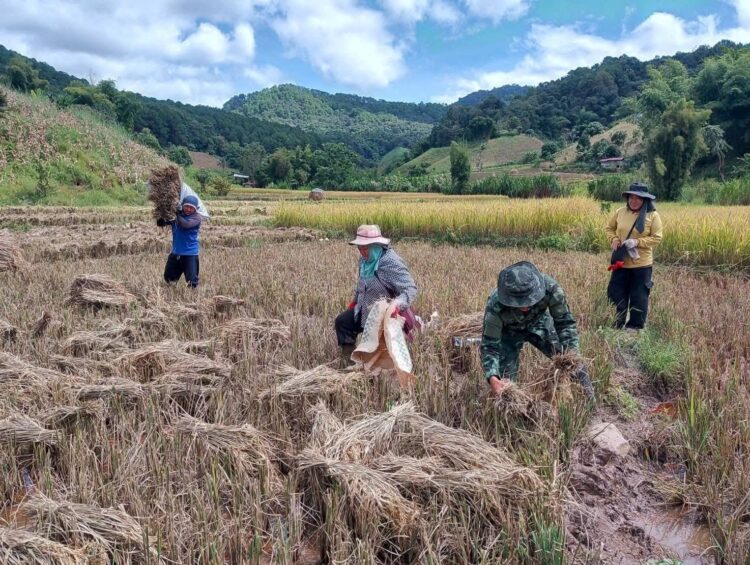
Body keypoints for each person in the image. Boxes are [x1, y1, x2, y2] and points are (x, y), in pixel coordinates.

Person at [480, 261, 594, 399]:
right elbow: (490, 345)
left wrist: (573, 354)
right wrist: (492, 377)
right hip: (508, 333)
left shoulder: (551, 289)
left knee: (571, 361)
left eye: (528, 301)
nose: (524, 308)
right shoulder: (495, 304)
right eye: (518, 303)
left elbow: (565, 323)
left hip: (539, 324)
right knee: (505, 386)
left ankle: (589, 400)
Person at [335, 225, 418, 366]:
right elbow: (362, 284)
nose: (362, 252)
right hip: (364, 310)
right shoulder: (364, 261)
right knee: (342, 322)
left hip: (384, 315)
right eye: (359, 248)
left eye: (366, 248)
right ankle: (350, 362)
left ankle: (379, 369)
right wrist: (355, 302)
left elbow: (410, 289)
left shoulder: (390, 262)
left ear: (376, 245)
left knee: (379, 351)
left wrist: (396, 305)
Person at [605, 182, 663, 330]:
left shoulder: (653, 215)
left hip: (641, 265)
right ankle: (616, 323)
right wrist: (614, 239)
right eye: (631, 197)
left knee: (639, 296)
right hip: (621, 263)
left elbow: (657, 238)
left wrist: (637, 242)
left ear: (645, 200)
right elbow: (609, 228)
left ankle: (635, 327)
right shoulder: (620, 212)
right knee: (616, 293)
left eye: (638, 198)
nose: (634, 201)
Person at [157, 194, 202, 288]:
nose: (188, 209)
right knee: (169, 278)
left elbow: (185, 225)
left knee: (192, 281)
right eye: (186, 206)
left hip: (190, 254)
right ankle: (171, 293)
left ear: (196, 209)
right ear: (182, 206)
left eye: (191, 208)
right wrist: (162, 211)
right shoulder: (176, 217)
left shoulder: (197, 217)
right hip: (176, 252)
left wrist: (176, 213)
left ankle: (192, 295)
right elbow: (161, 223)